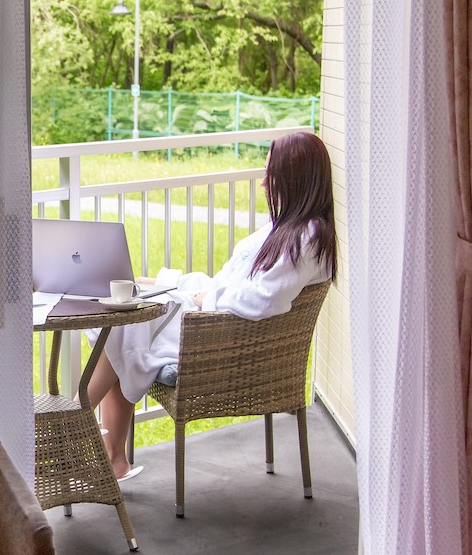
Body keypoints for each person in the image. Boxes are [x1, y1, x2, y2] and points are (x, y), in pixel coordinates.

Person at [88, 131, 338, 480]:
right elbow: (235, 283)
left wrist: (206, 299)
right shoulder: (287, 228)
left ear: (295, 178)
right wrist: (177, 286)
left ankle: (76, 418)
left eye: (271, 174)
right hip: (211, 317)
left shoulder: (306, 238)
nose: (263, 182)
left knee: (125, 319)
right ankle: (110, 454)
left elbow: (264, 299)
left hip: (218, 340)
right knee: (130, 296)